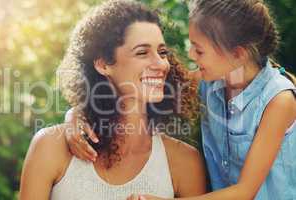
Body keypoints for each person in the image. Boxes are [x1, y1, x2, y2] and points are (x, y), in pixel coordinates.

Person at [66, 0, 296, 199]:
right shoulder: (211, 80)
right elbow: (146, 82)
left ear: (236, 54)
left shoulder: (279, 101)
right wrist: (76, 114)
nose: (191, 56)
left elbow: (244, 192)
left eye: (199, 50)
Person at [19, 1, 206, 199]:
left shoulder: (184, 161)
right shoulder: (50, 147)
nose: (161, 63)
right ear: (103, 64)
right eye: (142, 52)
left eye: (162, 52)